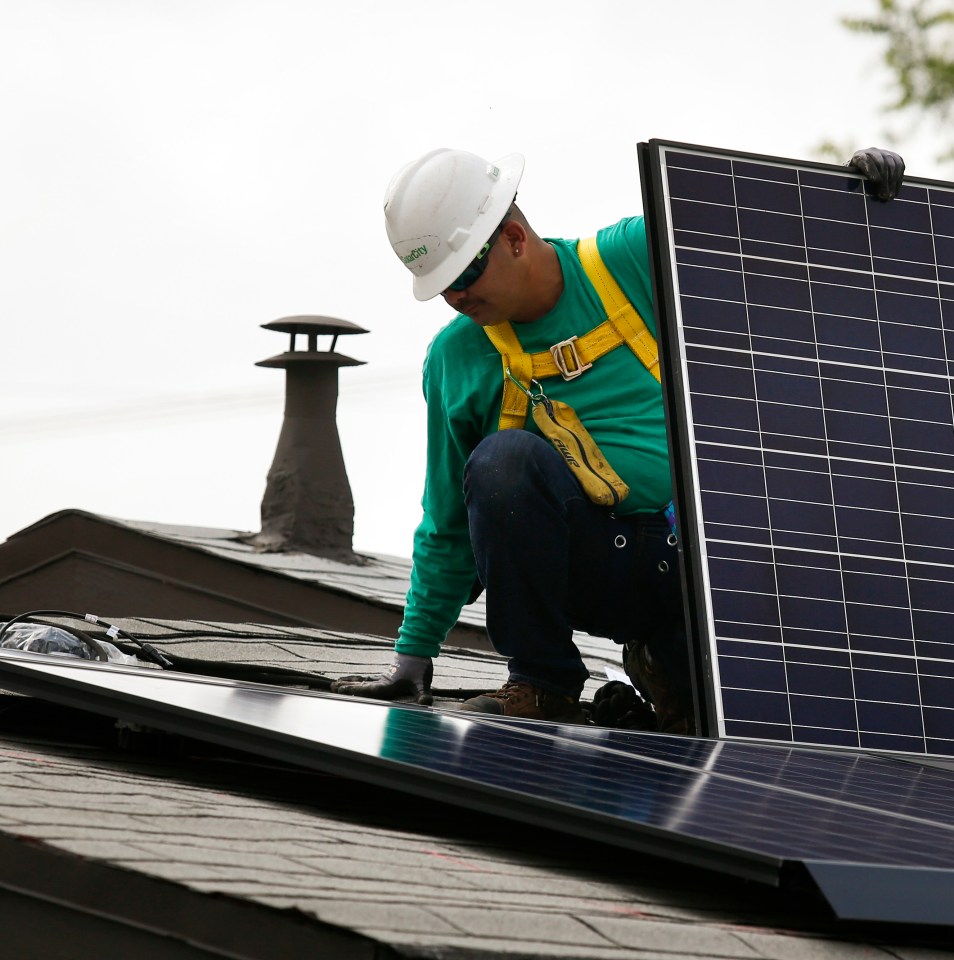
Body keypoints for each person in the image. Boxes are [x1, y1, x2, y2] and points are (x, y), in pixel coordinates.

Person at [333, 145, 906, 731]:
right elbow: (448, 520)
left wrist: (840, 193)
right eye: (443, 286)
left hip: (707, 560)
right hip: (599, 567)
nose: (457, 297)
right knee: (502, 462)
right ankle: (542, 682)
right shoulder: (457, 358)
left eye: (466, 274)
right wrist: (413, 655)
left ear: (512, 237)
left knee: (730, 714)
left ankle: (670, 673)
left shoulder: (627, 259)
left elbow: (744, 228)